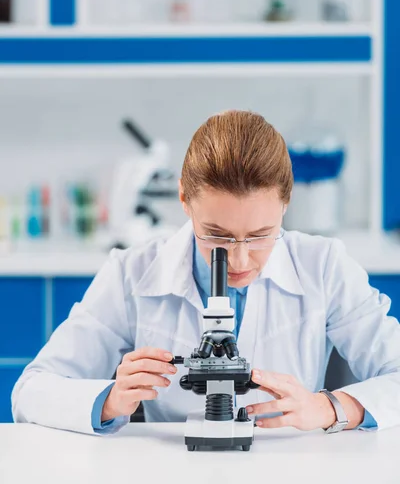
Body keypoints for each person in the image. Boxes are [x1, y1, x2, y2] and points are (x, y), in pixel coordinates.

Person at [12, 110, 400, 435]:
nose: (240, 262)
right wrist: (110, 398)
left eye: (261, 236)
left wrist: (333, 408)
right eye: (217, 236)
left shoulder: (324, 266)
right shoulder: (132, 273)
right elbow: (30, 391)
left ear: (286, 202)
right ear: (184, 198)